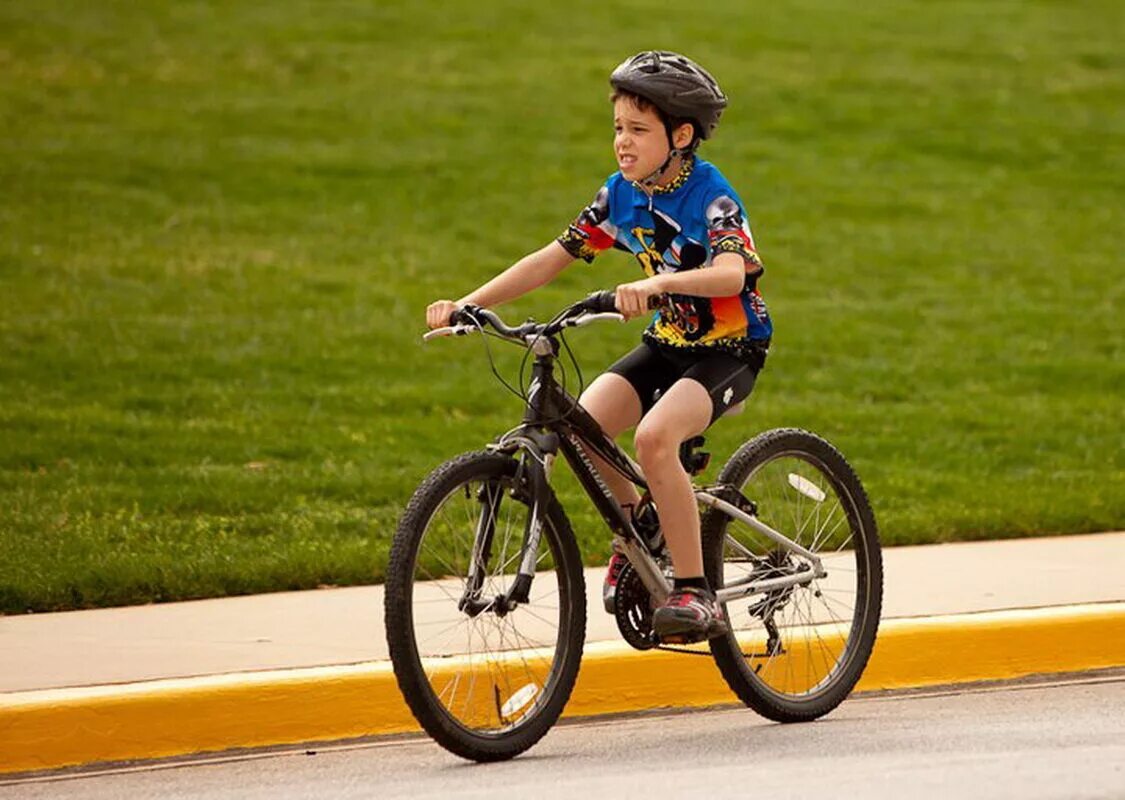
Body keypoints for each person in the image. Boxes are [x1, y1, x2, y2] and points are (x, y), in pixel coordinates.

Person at [425, 50, 772, 643]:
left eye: (638, 130)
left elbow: (732, 274)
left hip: (729, 349)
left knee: (656, 437)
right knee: (585, 426)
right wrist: (469, 302)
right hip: (667, 343)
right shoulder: (620, 195)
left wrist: (659, 282)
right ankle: (640, 533)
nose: (623, 142)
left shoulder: (712, 196)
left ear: (680, 135)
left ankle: (695, 591)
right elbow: (552, 256)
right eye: (618, 128)